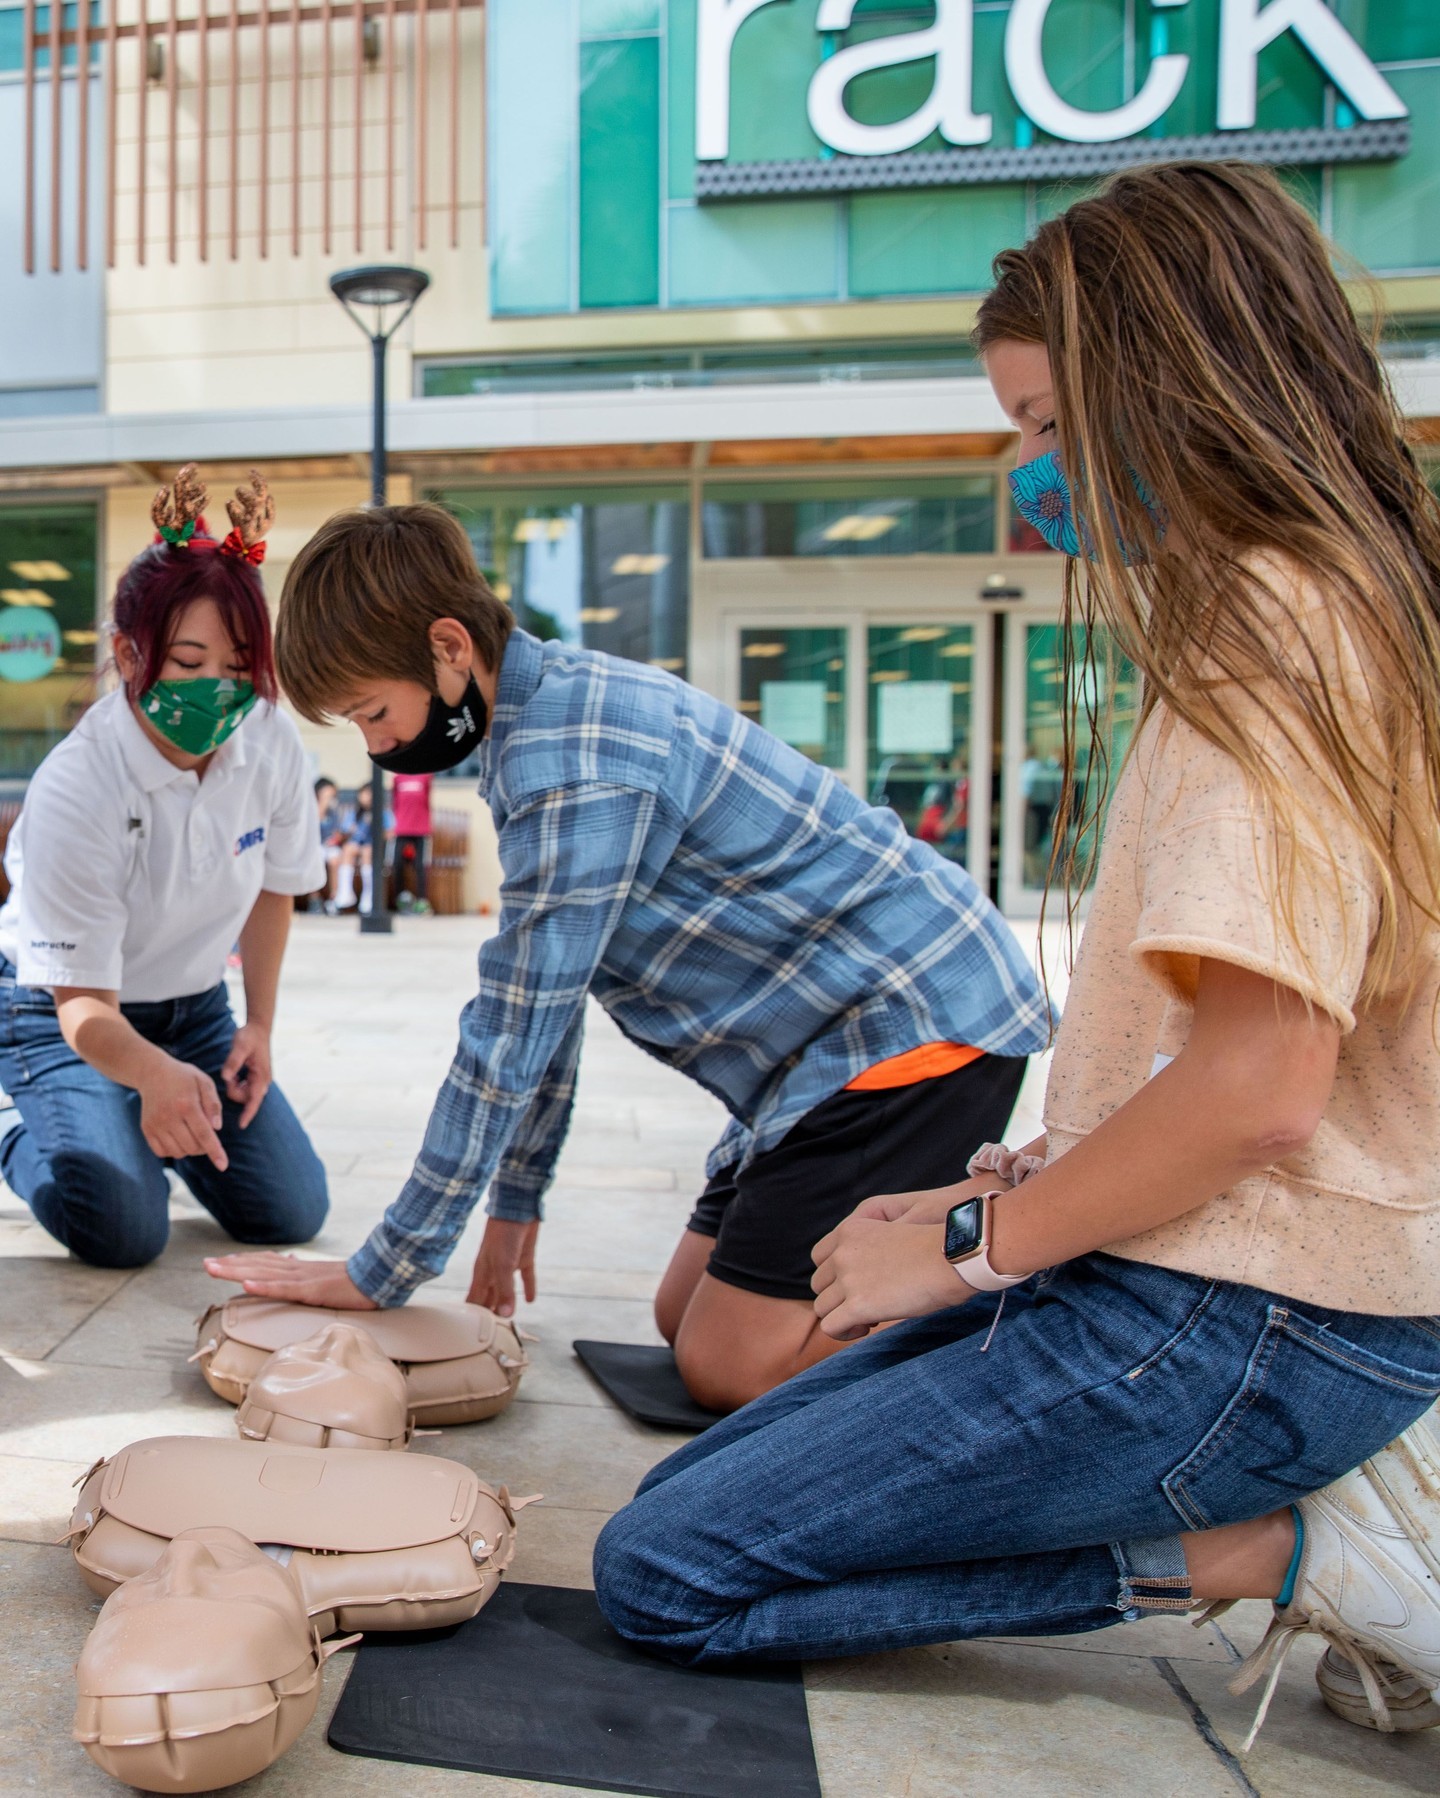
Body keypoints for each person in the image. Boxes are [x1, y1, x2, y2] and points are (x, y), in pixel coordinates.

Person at [588, 164, 1440, 1739]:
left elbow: (1266, 1082)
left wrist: (978, 1251)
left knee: (669, 1569)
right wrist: (1021, 1180)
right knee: (717, 1472)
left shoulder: (1272, 628)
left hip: (1245, 1318)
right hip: (1230, 1281)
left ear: (1172, 387)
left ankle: (1291, 1546)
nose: (1027, 466)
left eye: (1049, 421)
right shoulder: (1353, 600)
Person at [203, 503, 1051, 1411]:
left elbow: (511, 1031)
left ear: (449, 646)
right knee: (676, 1315)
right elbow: (554, 991)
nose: (376, 749)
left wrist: (389, 1265)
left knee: (732, 1367)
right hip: (823, 1055)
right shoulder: (535, 718)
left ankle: (1027, 1322)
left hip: (913, 1025)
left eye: (373, 713)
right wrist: (515, 1201)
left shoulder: (576, 761)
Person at [0, 466, 329, 1269]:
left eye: (240, 661)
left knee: (290, 1212)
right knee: (121, 1231)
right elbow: (82, 1006)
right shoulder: (78, 786)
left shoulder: (271, 742)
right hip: (59, 1016)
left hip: (195, 1013)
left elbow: (276, 890)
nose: (218, 687)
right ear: (128, 652)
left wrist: (256, 1026)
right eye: (187, 662)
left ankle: (152, 1121)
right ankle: (20, 1129)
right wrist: (151, 1074)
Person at [391, 770, 434, 914]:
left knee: (421, 865)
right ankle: (401, 898)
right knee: (396, 863)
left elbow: (428, 801)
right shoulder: (398, 778)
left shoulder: (426, 776)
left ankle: (422, 900)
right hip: (402, 828)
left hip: (421, 829)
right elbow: (394, 803)